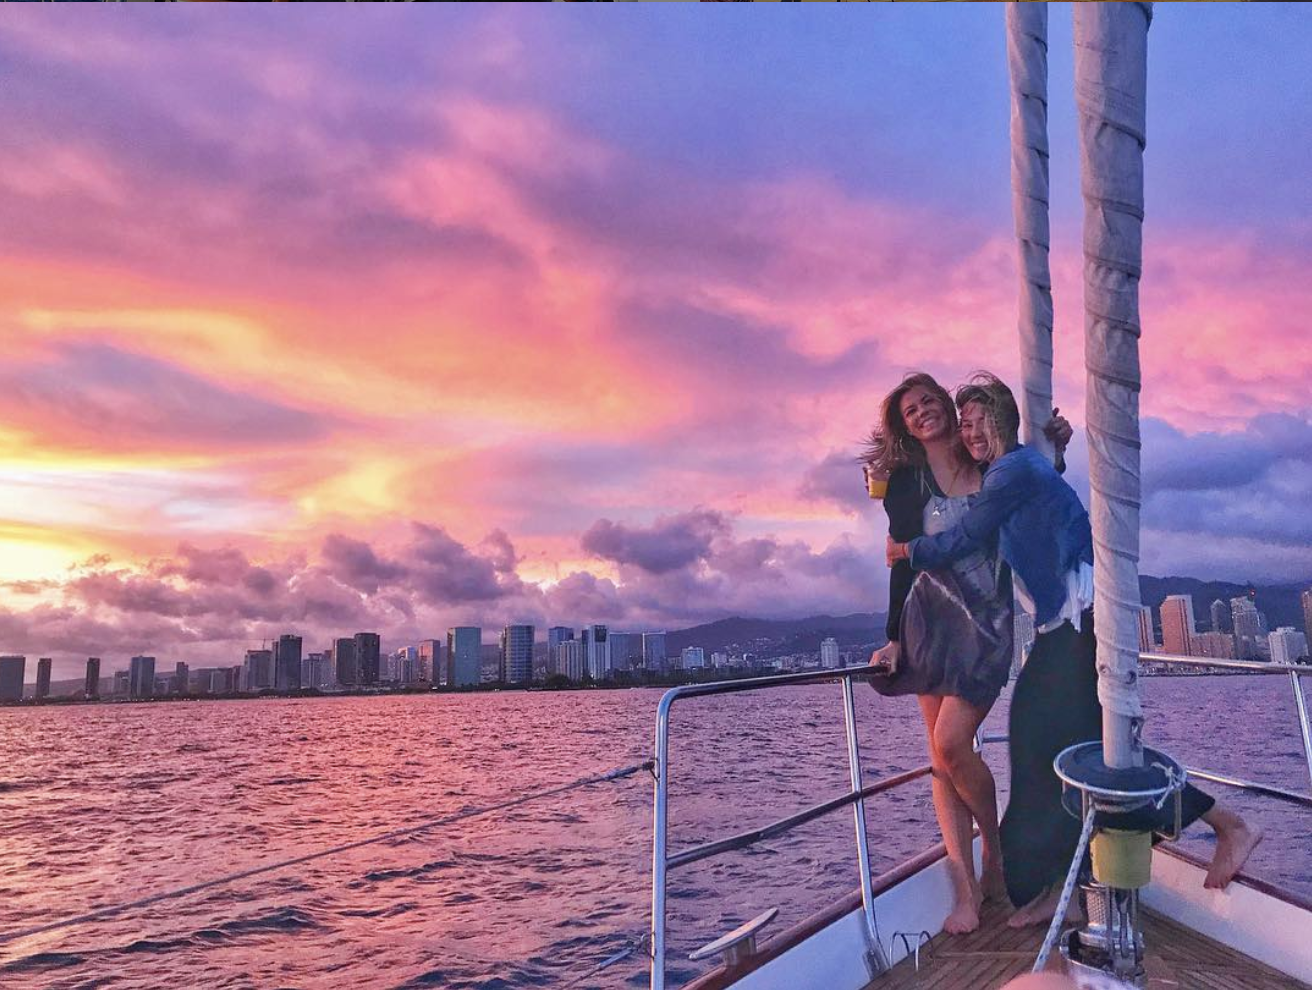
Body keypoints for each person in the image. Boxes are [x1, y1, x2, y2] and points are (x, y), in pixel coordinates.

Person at [887, 374, 1262, 928]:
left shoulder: (1010, 469)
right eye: (963, 423)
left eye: (977, 420)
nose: (968, 431)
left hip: (1080, 619)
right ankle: (1056, 882)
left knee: (1051, 743)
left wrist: (906, 549)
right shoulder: (1014, 470)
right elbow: (1037, 494)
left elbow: (971, 532)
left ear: (1002, 420)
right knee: (1069, 751)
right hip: (1064, 623)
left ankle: (1224, 826)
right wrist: (1056, 450)